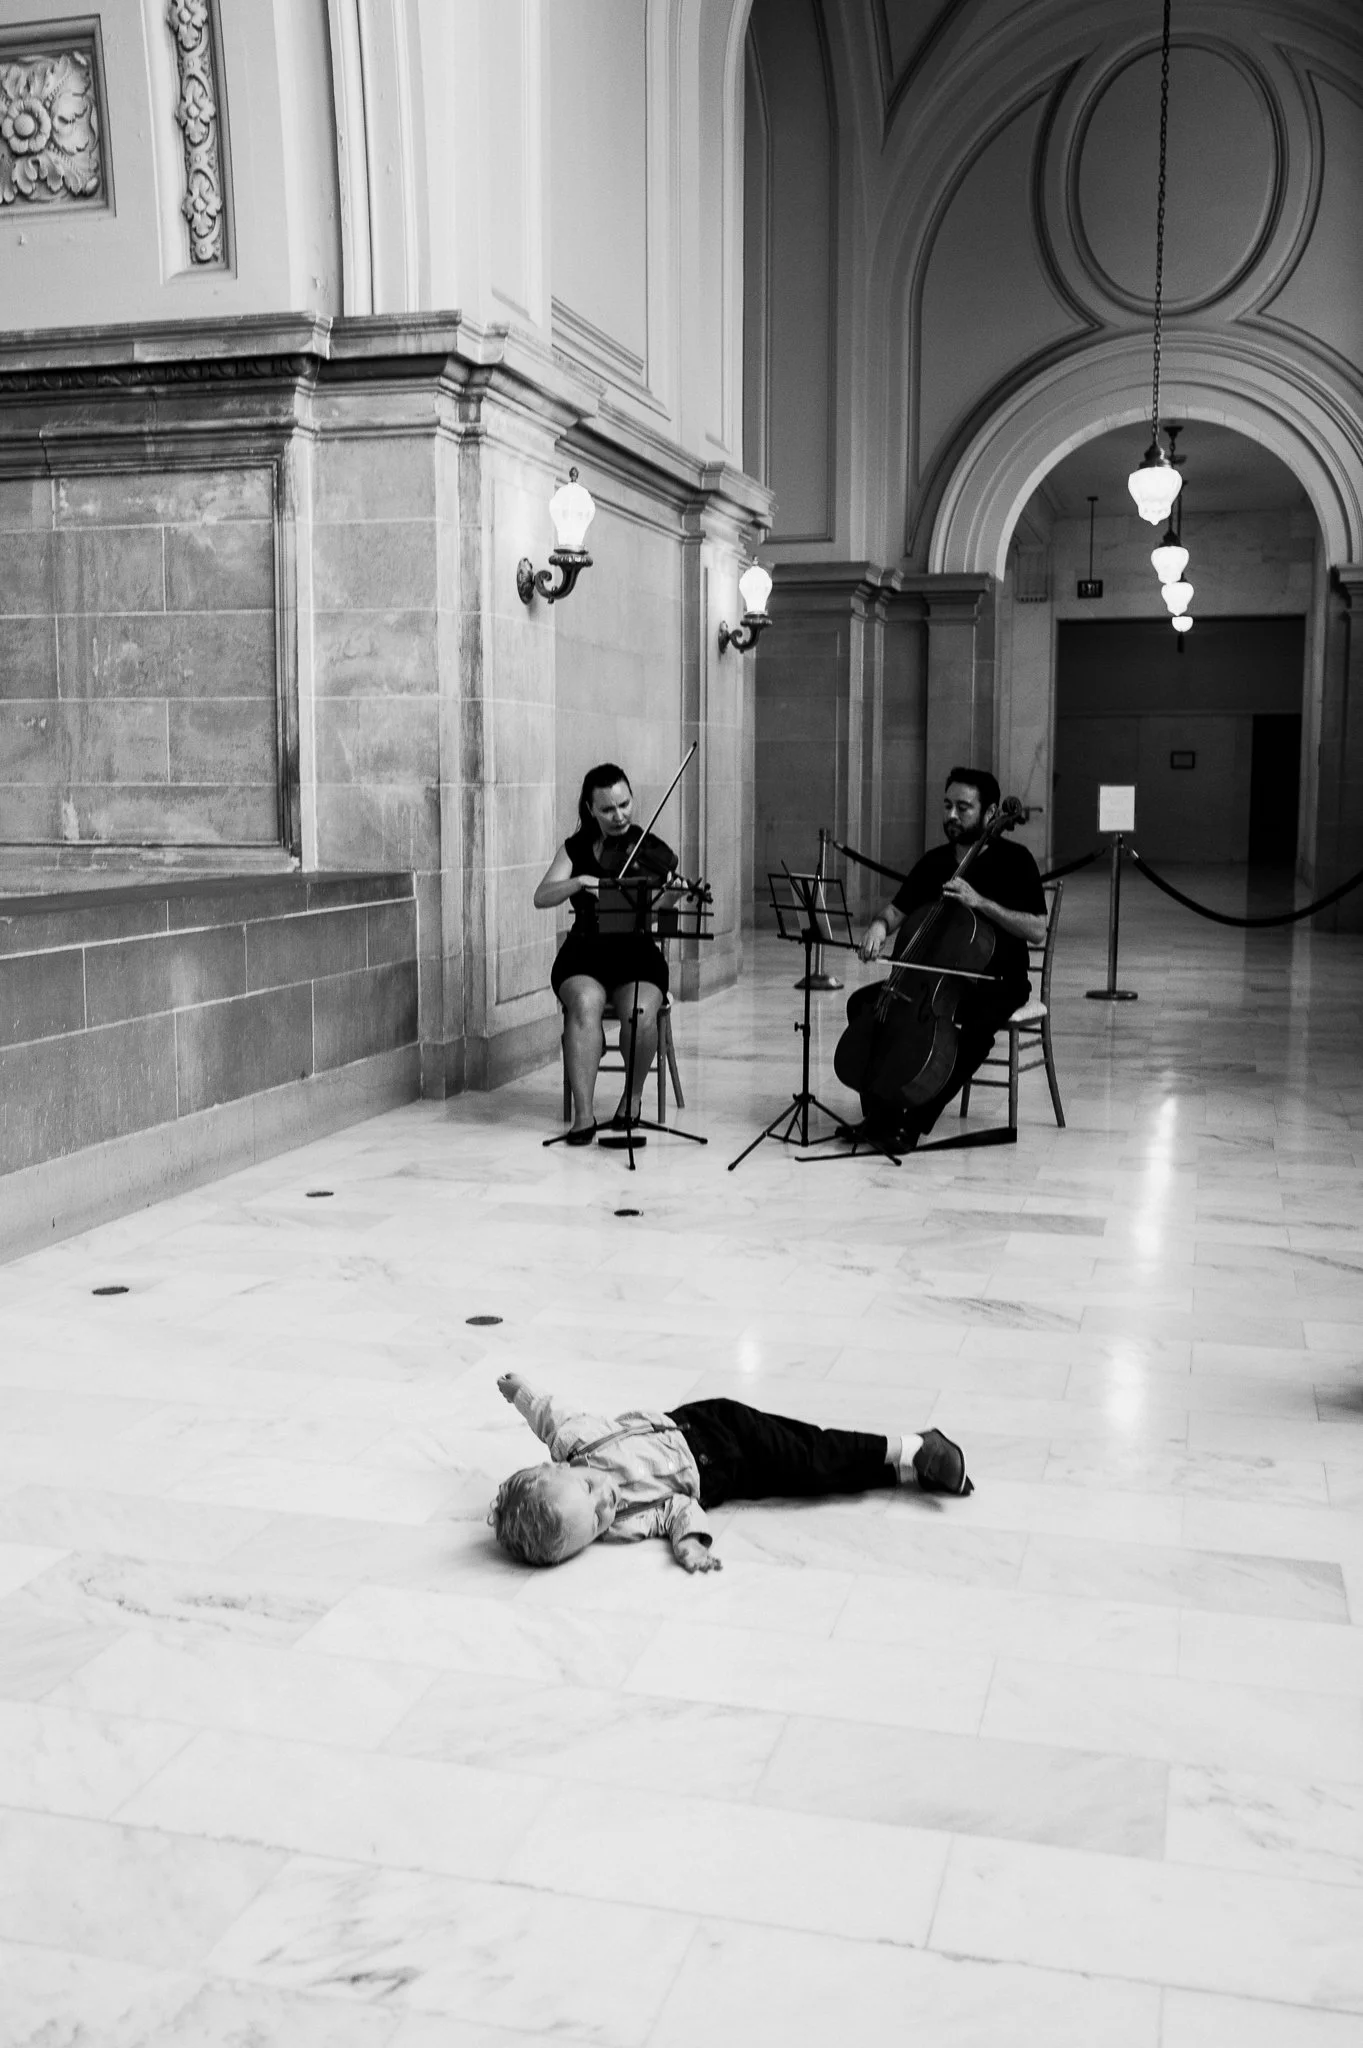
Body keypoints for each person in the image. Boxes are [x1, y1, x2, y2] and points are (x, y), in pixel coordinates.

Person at [488, 1371, 973, 1572]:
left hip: (714, 1427)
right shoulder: (624, 1523)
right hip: (727, 1480)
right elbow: (674, 1509)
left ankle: (915, 1446)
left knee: (811, 1452)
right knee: (809, 1482)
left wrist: (519, 1393)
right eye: (594, 1522)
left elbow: (549, 1414)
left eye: (590, 1490)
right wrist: (688, 1542)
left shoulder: (576, 1440)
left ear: (558, 1466)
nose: (605, 1503)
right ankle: (900, 1473)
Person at [852, 766, 1047, 1148]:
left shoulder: (1016, 861)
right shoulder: (934, 862)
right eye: (947, 805)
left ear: (991, 813)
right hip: (931, 978)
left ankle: (914, 1120)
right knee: (865, 1006)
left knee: (967, 1028)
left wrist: (981, 903)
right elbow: (895, 912)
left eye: (964, 807)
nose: (952, 816)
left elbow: (1038, 929)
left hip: (997, 981)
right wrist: (877, 927)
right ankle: (879, 1112)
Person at [535, 763, 677, 1146]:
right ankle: (583, 1116)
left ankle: (631, 1100)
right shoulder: (575, 849)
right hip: (585, 953)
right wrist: (578, 880)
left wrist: (672, 896)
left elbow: (655, 910)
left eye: (625, 805)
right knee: (584, 1002)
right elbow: (541, 897)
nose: (620, 816)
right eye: (608, 810)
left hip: (636, 953)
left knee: (640, 1011)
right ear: (590, 809)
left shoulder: (650, 850)